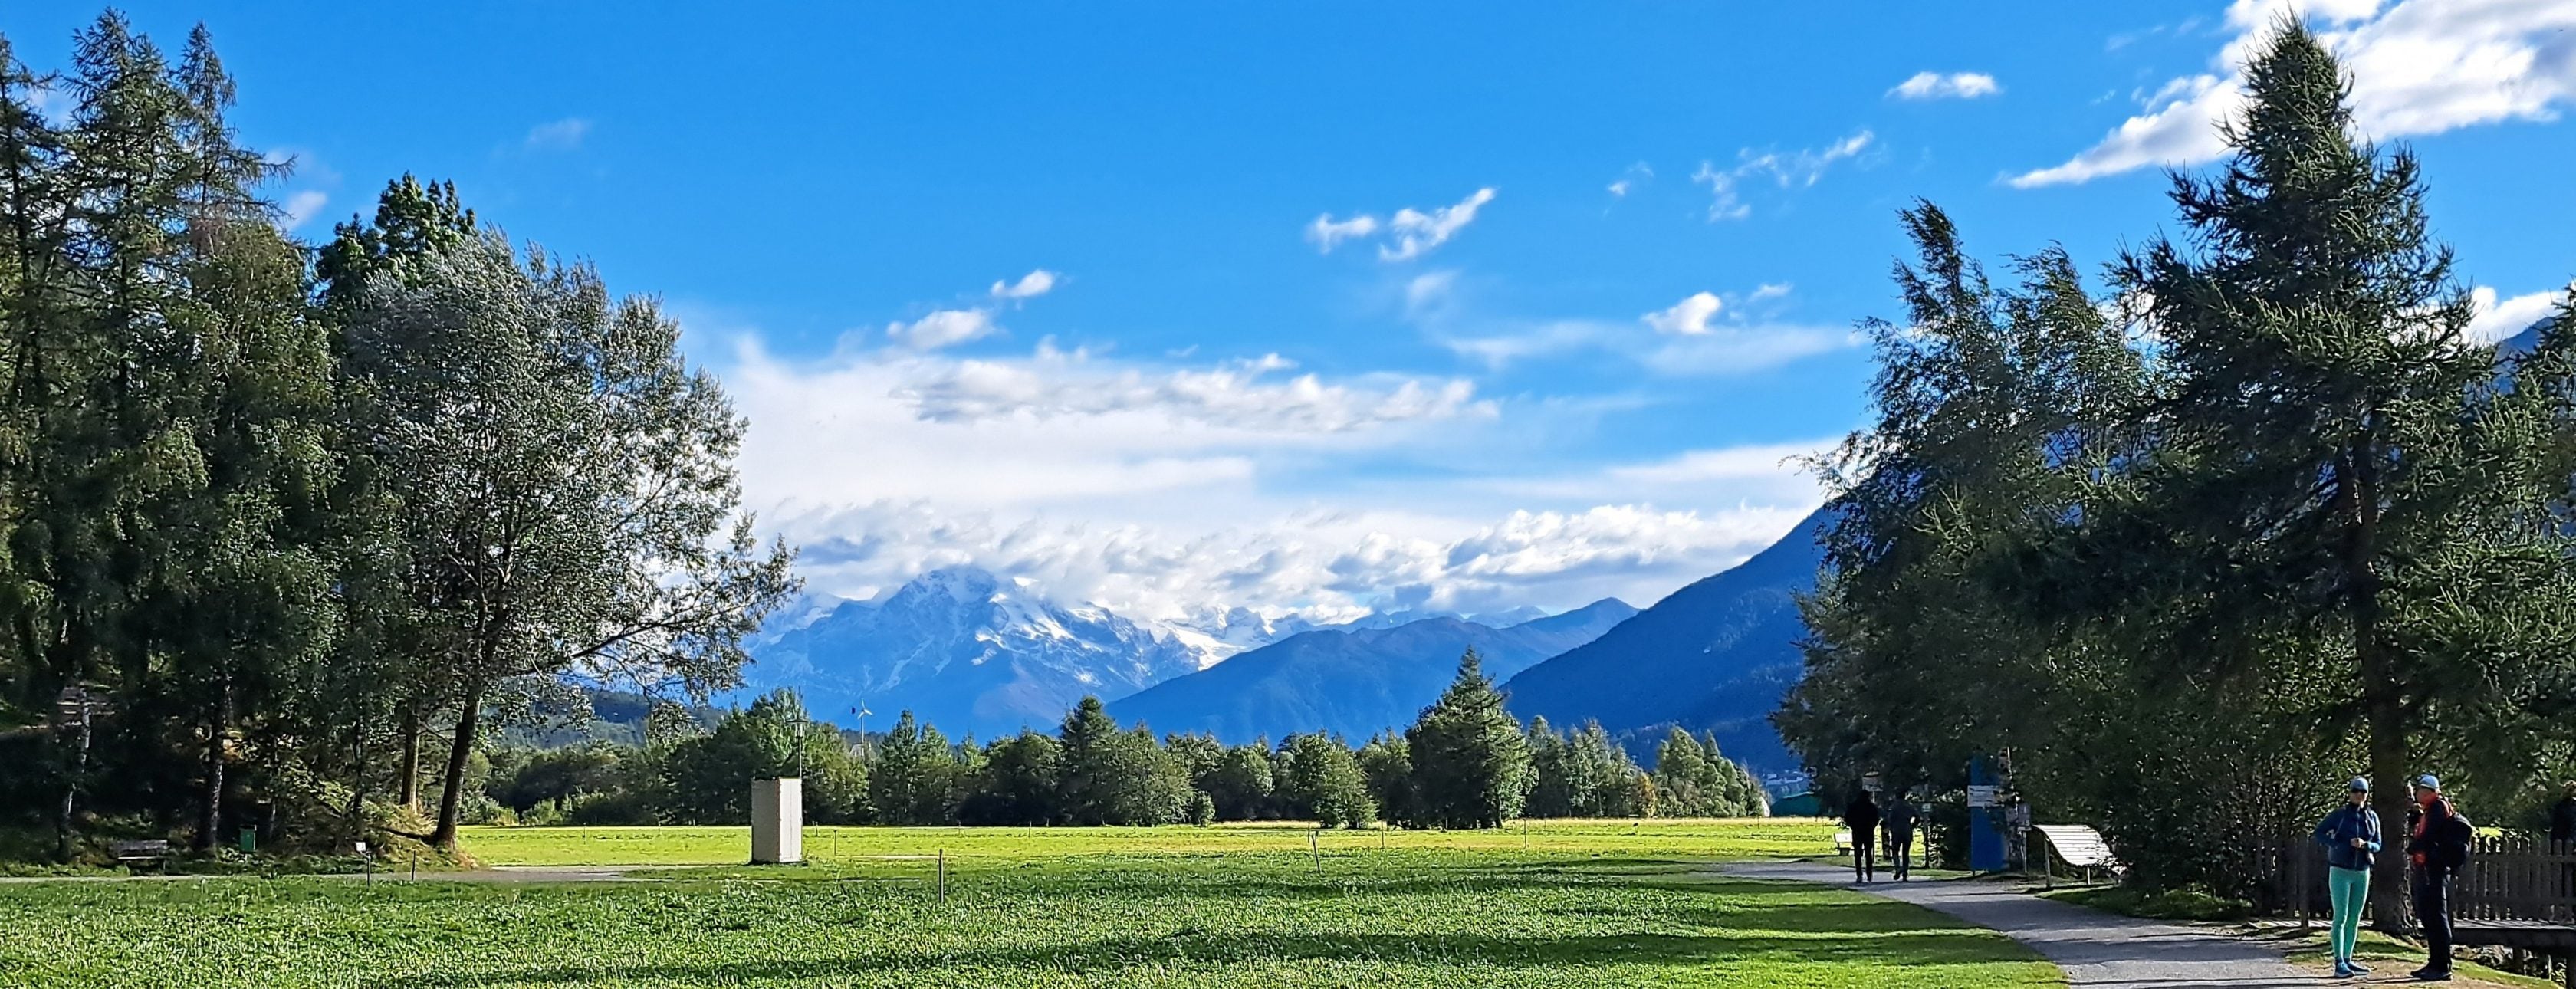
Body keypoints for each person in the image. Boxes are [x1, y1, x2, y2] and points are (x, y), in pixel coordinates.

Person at [2313, 777, 2382, 979]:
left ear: (2367, 795)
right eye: (2356, 791)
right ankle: (2338, 962)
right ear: (2350, 793)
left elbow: (2379, 844)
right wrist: (2338, 845)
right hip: (2340, 870)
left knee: (2355, 917)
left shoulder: (2372, 817)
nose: (2359, 795)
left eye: (2363, 792)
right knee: (2340, 917)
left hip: (2362, 871)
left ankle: (2348, 958)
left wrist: (2365, 845)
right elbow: (2319, 832)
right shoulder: (2340, 816)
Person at [2405, 774, 2459, 982]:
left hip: (2435, 868)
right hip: (2427, 868)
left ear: (2428, 790)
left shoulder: (2438, 808)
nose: (2417, 793)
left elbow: (2430, 836)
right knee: (2428, 915)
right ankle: (2434, 962)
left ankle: (2443, 965)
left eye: (2420, 789)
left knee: (2437, 916)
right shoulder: (2429, 810)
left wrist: (2415, 846)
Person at [1843, 787, 1880, 883]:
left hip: (1857, 832)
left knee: (1858, 855)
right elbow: (1877, 818)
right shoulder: (1871, 806)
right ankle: (1869, 874)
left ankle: (1859, 874)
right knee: (1868, 854)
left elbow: (1847, 818)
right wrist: (1872, 826)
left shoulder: (1854, 806)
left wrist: (1853, 826)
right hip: (1868, 832)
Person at [1884, 790, 1919, 882]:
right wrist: (1912, 826)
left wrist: (1890, 828)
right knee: (1905, 853)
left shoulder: (1894, 807)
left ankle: (1898, 867)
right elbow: (1918, 817)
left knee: (1895, 851)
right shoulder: (1909, 806)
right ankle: (1905, 874)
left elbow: (1889, 819)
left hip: (1896, 831)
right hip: (1907, 830)